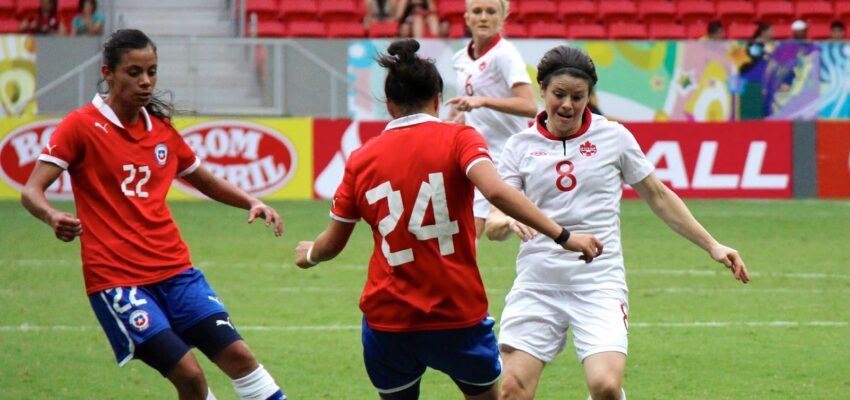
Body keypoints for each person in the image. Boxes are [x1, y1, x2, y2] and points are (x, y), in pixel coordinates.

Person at [293, 39, 602, 400]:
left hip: (389, 319)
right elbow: (497, 192)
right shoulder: (460, 138)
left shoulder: (360, 159)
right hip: (457, 315)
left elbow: (332, 244)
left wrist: (310, 253)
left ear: (389, 103)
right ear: (438, 98)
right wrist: (564, 236)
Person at [20, 29, 287, 400]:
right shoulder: (80, 126)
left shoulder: (160, 130)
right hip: (118, 279)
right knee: (191, 377)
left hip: (177, 272)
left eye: (152, 71)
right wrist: (51, 216)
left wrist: (251, 202)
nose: (146, 82)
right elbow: (31, 190)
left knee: (240, 357)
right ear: (108, 73)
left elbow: (205, 180)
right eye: (134, 72)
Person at [485, 45, 750, 400]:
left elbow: (658, 195)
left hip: (598, 283)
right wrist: (505, 223)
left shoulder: (614, 137)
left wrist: (713, 244)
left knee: (606, 387)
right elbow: (496, 216)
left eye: (577, 97)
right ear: (542, 90)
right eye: (558, 94)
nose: (567, 105)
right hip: (538, 283)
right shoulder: (519, 146)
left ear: (589, 96)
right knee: (512, 390)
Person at [447, 0, 537, 237]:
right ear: (467, 18)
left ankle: (511, 218)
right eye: (477, 11)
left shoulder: (506, 55)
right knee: (472, 234)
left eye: (491, 11)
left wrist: (483, 100)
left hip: (508, 155)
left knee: (488, 230)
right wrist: (458, 121)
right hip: (478, 154)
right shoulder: (461, 58)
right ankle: (508, 219)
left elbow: (529, 106)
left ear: (502, 18)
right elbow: (473, 110)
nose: (483, 17)